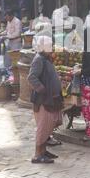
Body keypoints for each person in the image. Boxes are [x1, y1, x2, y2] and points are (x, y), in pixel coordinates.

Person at [28, 35, 63, 164]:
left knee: (47, 126)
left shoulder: (46, 58)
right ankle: (38, 155)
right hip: (42, 100)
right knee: (43, 127)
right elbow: (31, 78)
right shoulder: (39, 60)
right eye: (49, 46)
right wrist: (43, 90)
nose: (52, 48)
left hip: (49, 99)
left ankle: (43, 151)